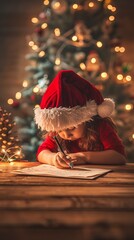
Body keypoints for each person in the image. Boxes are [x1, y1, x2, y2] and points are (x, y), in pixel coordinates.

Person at [34, 70, 126, 168]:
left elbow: (119, 156)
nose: (65, 134)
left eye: (72, 128)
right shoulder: (56, 134)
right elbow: (41, 153)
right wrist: (53, 158)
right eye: (60, 130)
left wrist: (84, 157)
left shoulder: (100, 127)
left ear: (85, 120)